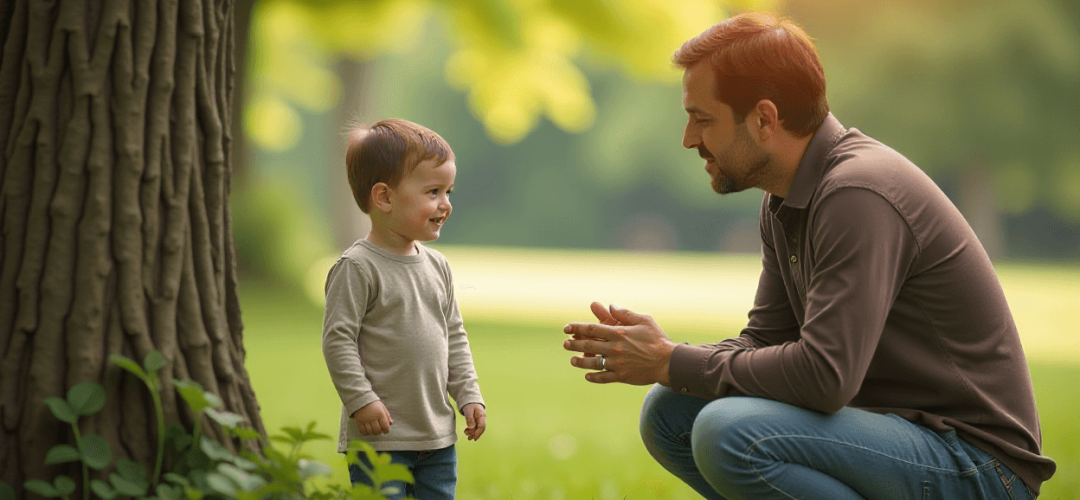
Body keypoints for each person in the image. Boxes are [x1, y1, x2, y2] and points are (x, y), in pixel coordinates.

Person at [562, 12, 1055, 500]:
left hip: (978, 466)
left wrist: (673, 361)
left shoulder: (857, 193)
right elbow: (765, 341)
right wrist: (667, 358)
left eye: (702, 119)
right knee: (670, 413)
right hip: (898, 436)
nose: (689, 139)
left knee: (728, 431)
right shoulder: (786, 197)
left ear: (763, 119)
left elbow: (825, 379)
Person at [322, 118, 486, 500]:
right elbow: (338, 342)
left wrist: (468, 394)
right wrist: (361, 400)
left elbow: (454, 338)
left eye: (448, 191)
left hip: (436, 434)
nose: (445, 204)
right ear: (384, 197)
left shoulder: (437, 266)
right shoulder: (358, 267)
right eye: (433, 191)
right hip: (381, 435)